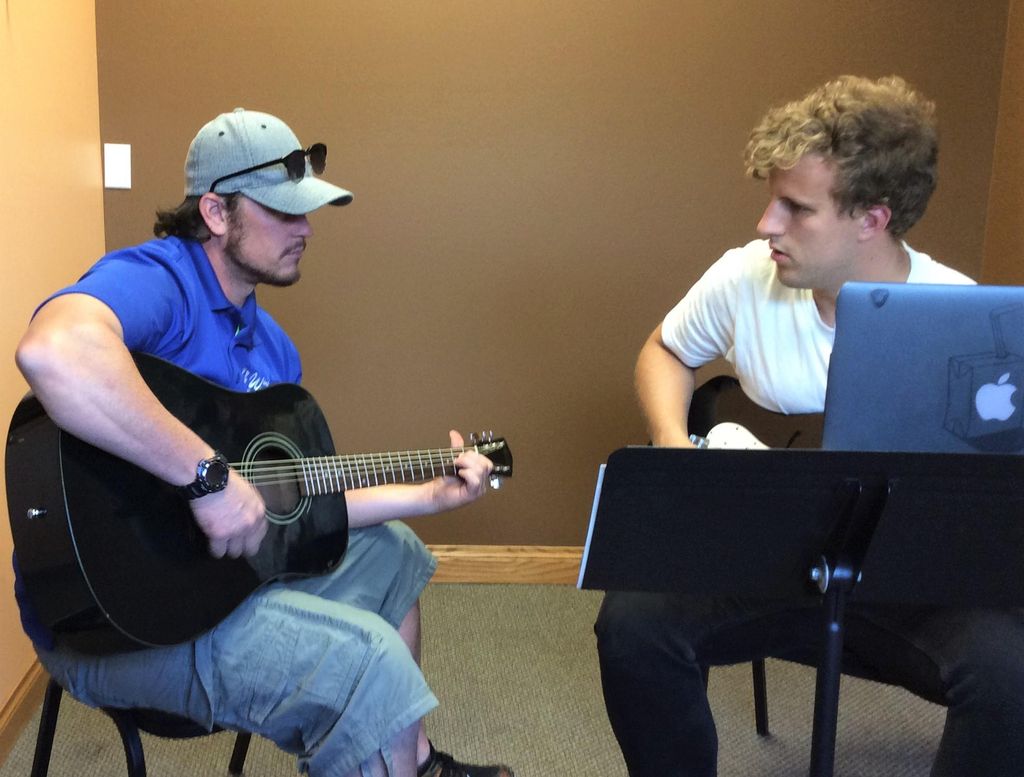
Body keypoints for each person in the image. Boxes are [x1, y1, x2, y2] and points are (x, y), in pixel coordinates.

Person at [14, 108, 514, 777]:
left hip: (215, 584)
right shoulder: (161, 281)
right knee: (364, 660)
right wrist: (209, 479)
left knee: (394, 552)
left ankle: (412, 763)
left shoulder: (272, 349)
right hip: (115, 624)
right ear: (215, 212)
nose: (305, 229)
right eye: (282, 211)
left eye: (307, 212)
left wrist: (428, 495)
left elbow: (291, 507)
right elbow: (54, 351)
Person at [595, 75, 1024, 776]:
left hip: (904, 585)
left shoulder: (962, 315)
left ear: (872, 219)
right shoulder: (745, 278)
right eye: (773, 199)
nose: (767, 223)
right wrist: (674, 445)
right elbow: (667, 350)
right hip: (759, 557)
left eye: (796, 208)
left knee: (1010, 675)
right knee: (634, 626)